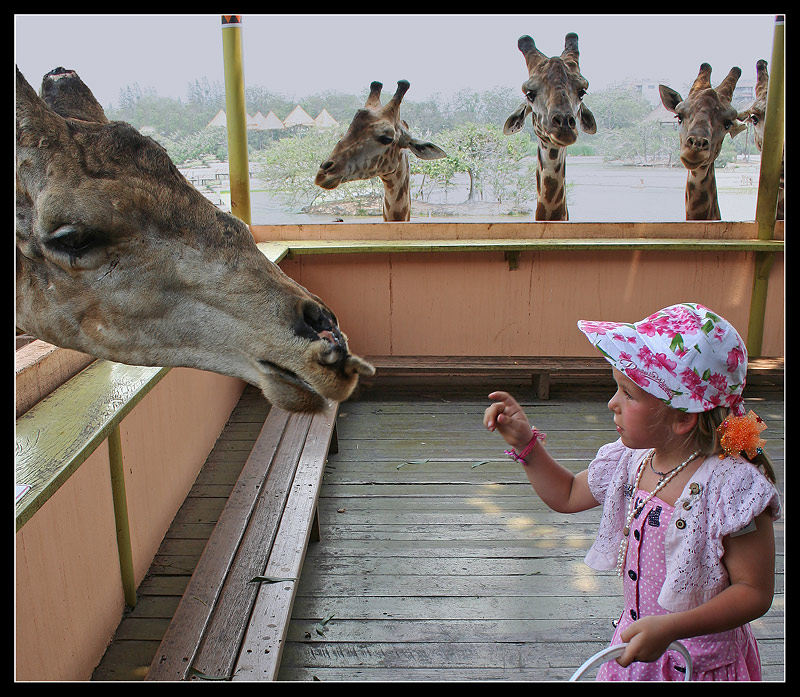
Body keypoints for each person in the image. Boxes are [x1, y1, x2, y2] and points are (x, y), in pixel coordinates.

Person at [483, 303, 781, 681]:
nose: (612, 403)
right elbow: (568, 494)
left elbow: (754, 591)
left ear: (682, 417)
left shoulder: (732, 488)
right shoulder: (631, 461)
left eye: (628, 394)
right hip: (640, 653)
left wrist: (671, 628)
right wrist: (527, 445)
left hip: (701, 666)